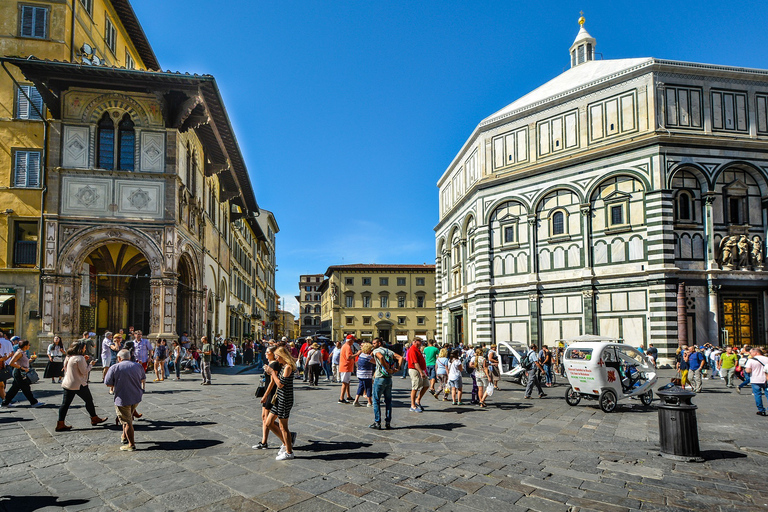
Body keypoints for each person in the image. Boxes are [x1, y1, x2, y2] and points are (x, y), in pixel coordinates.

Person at [56, 342, 107, 431]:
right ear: (80, 349)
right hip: (79, 384)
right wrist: (91, 364)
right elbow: (84, 371)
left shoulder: (69, 357)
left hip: (68, 383)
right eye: (84, 348)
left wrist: (84, 361)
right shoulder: (80, 358)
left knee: (65, 404)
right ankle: (94, 418)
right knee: (89, 401)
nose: (84, 349)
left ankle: (60, 423)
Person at [104, 349, 145, 451]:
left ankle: (131, 445)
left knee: (127, 422)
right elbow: (142, 378)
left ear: (119, 358)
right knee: (127, 417)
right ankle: (124, 436)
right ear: (129, 357)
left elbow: (108, 383)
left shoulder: (115, 367)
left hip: (123, 398)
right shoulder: (138, 366)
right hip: (136, 397)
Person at [262, 346, 296, 460]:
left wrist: (272, 372)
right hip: (278, 399)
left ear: (282, 356)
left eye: (277, 356)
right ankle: (286, 443)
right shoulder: (283, 366)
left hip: (285, 399)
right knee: (268, 423)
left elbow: (280, 384)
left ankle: (289, 452)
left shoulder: (288, 367)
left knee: (283, 426)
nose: (276, 358)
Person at [369, 337, 404, 429]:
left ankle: (377, 422)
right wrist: (397, 368)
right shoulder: (389, 351)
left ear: (379, 343)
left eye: (374, 343)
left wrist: (386, 368)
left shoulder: (377, 350)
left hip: (380, 378)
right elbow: (400, 358)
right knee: (388, 401)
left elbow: (380, 357)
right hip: (388, 379)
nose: (373, 345)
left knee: (376, 400)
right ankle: (388, 422)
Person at [1, 340, 44, 408]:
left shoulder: (23, 352)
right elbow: (11, 363)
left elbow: (23, 361)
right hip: (19, 372)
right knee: (26, 388)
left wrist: (31, 359)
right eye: (28, 345)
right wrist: (22, 368)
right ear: (25, 346)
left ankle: (5, 403)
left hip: (21, 372)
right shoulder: (19, 353)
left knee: (14, 388)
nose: (29, 346)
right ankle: (33, 402)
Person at [407, 337, 430, 412]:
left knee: (426, 385)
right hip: (415, 370)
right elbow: (415, 362)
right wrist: (421, 372)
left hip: (420, 370)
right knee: (415, 387)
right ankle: (412, 405)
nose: (421, 343)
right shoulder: (413, 350)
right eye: (420, 341)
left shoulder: (417, 349)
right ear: (415, 341)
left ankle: (418, 400)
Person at [744, 347, 768, 416]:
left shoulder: (751, 360)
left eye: (751, 353)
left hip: (756, 379)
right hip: (766, 379)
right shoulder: (767, 359)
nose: (750, 354)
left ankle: (761, 410)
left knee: (757, 395)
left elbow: (747, 370)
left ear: (756, 353)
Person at [352, 342, 375, 407]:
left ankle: (356, 400)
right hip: (366, 374)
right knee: (368, 387)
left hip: (360, 374)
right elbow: (375, 362)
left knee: (361, 386)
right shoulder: (368, 357)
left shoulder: (361, 355)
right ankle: (369, 402)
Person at [338, 335, 358, 404]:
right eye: (353, 340)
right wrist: (357, 354)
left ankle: (348, 396)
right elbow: (349, 357)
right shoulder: (347, 347)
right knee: (345, 382)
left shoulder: (345, 346)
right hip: (345, 367)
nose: (354, 342)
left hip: (346, 367)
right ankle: (341, 398)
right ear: (350, 340)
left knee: (347, 382)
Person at [0, 332, 13, 402]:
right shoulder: (8, 342)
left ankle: (4, 401)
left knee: (1, 385)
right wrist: (7, 357)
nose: (1, 346)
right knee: (2, 384)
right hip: (4, 366)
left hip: (2, 366)